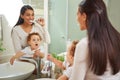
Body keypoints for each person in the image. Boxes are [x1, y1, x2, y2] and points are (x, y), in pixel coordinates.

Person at [70, 0, 120, 80]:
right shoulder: (117, 39)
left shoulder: (84, 45)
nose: (76, 18)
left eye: (77, 14)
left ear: (84, 16)